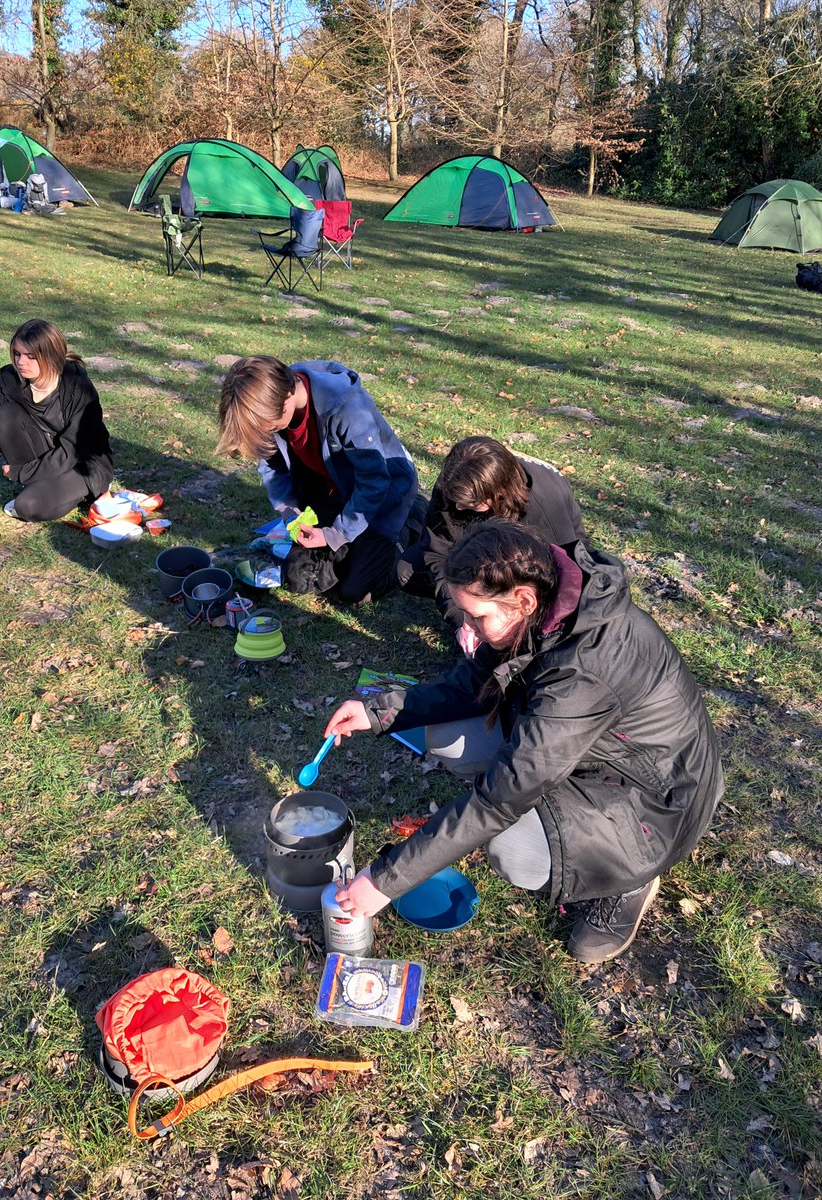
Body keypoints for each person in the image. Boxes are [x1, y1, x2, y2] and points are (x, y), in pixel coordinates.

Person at [324, 522, 724, 964]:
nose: (471, 630)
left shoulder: (585, 667)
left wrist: (385, 880)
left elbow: (497, 801)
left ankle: (631, 879)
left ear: (524, 602)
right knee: (446, 738)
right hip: (591, 753)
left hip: (656, 801)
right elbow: (473, 680)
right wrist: (379, 711)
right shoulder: (541, 604)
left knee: (511, 846)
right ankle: (551, 806)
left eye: (478, 617)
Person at [218, 356, 419, 604]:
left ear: (287, 398)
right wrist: (290, 511)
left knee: (356, 592)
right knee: (298, 576)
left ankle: (410, 525)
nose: (266, 434)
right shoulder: (271, 406)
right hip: (334, 488)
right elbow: (272, 465)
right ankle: (350, 541)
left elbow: (374, 482)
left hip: (385, 490)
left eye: (267, 427)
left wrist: (335, 534)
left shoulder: (344, 407)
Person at [398, 437, 586, 654]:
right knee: (408, 571)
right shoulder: (455, 484)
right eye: (455, 499)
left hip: (539, 559)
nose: (457, 508)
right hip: (483, 551)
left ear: (498, 495)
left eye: (469, 504)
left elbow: (565, 575)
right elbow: (437, 554)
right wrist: (463, 620)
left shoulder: (543, 503)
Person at [0, 320, 113, 522]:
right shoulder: (8, 382)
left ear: (51, 356)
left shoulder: (78, 388)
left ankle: (85, 489)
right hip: (41, 460)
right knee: (5, 414)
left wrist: (20, 472)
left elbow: (71, 451)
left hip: (81, 463)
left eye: (31, 357)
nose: (20, 362)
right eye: (17, 353)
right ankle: (43, 487)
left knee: (27, 506)